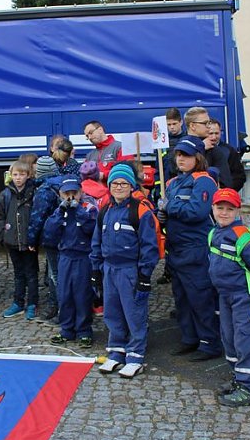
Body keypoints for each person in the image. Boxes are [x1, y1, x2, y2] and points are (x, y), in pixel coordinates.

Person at [207, 188, 250, 407]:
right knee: (229, 338)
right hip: (225, 295)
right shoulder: (213, 233)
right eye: (220, 208)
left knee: (246, 339)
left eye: (229, 209)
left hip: (245, 297)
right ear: (213, 208)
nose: (224, 213)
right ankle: (239, 378)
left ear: (238, 211)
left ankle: (249, 388)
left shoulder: (244, 237)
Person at [90, 163, 159, 378]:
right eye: (115, 183)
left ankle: (135, 354)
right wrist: (96, 270)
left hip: (130, 270)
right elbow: (96, 242)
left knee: (134, 313)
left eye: (124, 183)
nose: (119, 187)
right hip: (110, 269)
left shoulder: (140, 211)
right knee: (112, 312)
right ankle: (117, 351)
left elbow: (149, 247)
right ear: (109, 186)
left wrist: (144, 276)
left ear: (131, 186)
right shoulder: (105, 211)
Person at [159, 136, 221, 361]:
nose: (180, 159)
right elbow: (171, 213)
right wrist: (162, 215)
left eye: (185, 155)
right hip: (176, 247)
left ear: (198, 157)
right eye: (178, 154)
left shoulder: (203, 181)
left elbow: (197, 212)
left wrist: (170, 206)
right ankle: (189, 338)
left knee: (200, 298)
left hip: (195, 249)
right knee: (182, 298)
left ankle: (210, 342)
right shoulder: (173, 183)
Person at [43, 176, 98, 348]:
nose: (71, 197)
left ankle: (84, 330)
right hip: (65, 256)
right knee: (64, 294)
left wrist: (79, 212)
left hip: (83, 257)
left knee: (82, 295)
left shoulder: (88, 208)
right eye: (67, 193)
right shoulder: (59, 211)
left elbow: (92, 228)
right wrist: (60, 212)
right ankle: (66, 329)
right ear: (60, 194)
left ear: (81, 193)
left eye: (74, 193)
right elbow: (49, 233)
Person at [0, 160, 39, 320]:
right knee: (18, 273)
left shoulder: (33, 192)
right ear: (10, 175)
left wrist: (34, 239)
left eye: (22, 174)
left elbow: (37, 217)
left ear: (28, 175)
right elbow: (0, 216)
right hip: (12, 241)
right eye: (15, 174)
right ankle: (18, 302)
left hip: (29, 242)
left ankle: (33, 303)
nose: (18, 178)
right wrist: (3, 235)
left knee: (31, 273)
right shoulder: (6, 194)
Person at [27, 156, 64, 323]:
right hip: (70, 236)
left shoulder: (44, 190)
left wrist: (31, 240)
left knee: (55, 274)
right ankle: (58, 307)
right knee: (64, 272)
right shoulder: (65, 183)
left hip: (53, 237)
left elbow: (37, 218)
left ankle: (60, 310)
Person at [185, 107, 231, 188]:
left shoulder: (213, 149)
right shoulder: (180, 145)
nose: (209, 126)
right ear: (192, 126)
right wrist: (200, 147)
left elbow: (225, 181)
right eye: (205, 123)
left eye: (209, 122)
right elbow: (174, 170)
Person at [207, 119, 247, 192]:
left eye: (216, 133)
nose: (214, 137)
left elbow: (239, 176)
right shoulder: (200, 149)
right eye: (211, 133)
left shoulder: (229, 150)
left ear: (220, 132)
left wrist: (228, 191)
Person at [162, 107, 186, 180]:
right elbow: (159, 167)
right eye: (169, 125)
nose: (172, 127)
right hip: (167, 180)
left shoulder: (188, 138)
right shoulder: (163, 141)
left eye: (174, 124)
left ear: (181, 122)